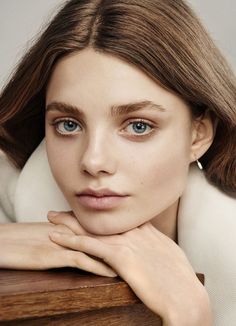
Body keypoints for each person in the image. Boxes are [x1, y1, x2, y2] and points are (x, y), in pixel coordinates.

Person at [0, 0, 235, 324]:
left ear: (197, 136)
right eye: (68, 124)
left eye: (139, 126)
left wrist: (191, 314)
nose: (93, 161)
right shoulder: (7, 198)